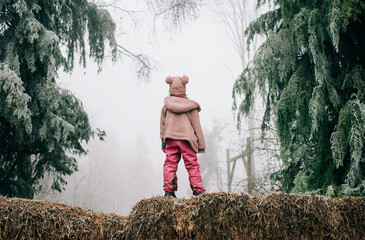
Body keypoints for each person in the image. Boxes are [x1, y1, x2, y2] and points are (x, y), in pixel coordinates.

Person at [160, 75, 206, 198]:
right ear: (184, 88)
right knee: (192, 164)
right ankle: (198, 190)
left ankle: (168, 191)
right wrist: (201, 145)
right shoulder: (191, 107)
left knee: (170, 163)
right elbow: (197, 127)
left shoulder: (166, 107)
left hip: (170, 138)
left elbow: (162, 126)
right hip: (187, 140)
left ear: (170, 89)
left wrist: (163, 142)